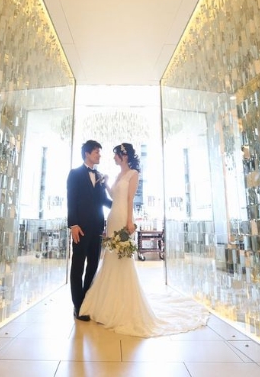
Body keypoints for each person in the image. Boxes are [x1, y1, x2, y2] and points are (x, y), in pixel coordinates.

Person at [80, 143, 209, 337]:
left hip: (123, 217)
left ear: (124, 156)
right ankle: (107, 301)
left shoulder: (133, 174)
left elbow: (130, 199)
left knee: (123, 257)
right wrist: (106, 183)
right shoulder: (118, 175)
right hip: (112, 217)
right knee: (111, 257)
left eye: (116, 155)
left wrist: (129, 221)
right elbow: (114, 196)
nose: (113, 158)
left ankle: (123, 303)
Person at [67, 140, 112, 321]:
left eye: (99, 152)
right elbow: (71, 200)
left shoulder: (100, 176)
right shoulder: (75, 174)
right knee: (78, 266)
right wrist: (73, 225)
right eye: (96, 152)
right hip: (81, 228)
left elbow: (103, 201)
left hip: (97, 228)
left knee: (93, 265)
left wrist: (120, 205)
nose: (99, 155)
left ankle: (87, 300)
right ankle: (78, 306)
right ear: (87, 154)